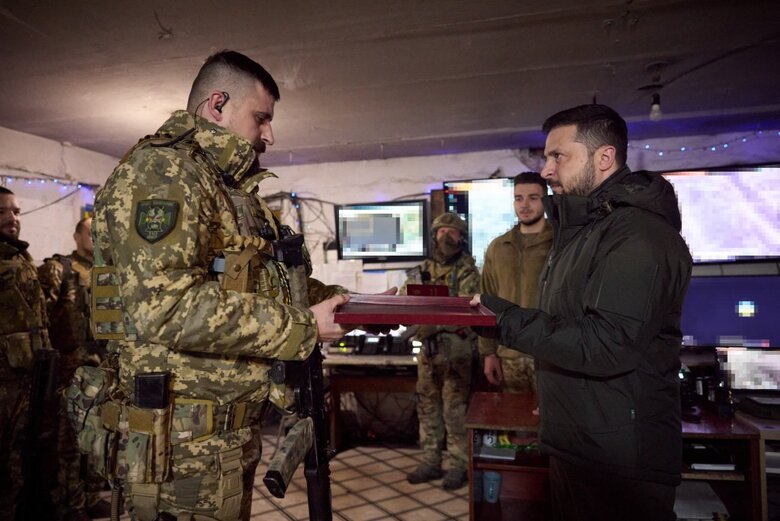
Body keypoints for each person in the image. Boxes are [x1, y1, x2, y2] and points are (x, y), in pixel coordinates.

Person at [84, 50, 351, 521]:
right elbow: (165, 307)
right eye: (261, 118)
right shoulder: (164, 172)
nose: (269, 134)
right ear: (218, 104)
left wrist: (342, 303)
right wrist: (304, 327)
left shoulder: (221, 185)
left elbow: (261, 284)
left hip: (220, 436)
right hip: (181, 445)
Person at [472, 104, 692, 521]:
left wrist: (503, 320)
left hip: (616, 456)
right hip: (582, 438)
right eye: (547, 157)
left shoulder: (638, 235)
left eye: (559, 156)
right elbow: (569, 327)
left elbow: (606, 344)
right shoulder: (587, 231)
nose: (548, 170)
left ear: (603, 158)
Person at [38, 217, 110, 521]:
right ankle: (71, 506)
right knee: (68, 446)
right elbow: (37, 314)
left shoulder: (108, 274)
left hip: (100, 370)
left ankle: (91, 498)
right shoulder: (60, 269)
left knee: (95, 441)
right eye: (91, 232)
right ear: (77, 235)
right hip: (69, 373)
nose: (97, 237)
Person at [403, 212, 479, 491]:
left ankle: (459, 465)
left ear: (461, 237)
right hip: (428, 354)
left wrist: (434, 320)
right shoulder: (421, 270)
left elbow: (467, 309)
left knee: (455, 412)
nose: (445, 236)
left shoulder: (468, 271)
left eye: (452, 231)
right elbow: (407, 302)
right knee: (427, 407)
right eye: (441, 231)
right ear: (433, 235)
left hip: (457, 353)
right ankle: (430, 461)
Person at [0, 186, 55, 521]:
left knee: (21, 467)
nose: (12, 218)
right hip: (5, 389)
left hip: (26, 385)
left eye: (17, 211)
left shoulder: (19, 257)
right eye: (2, 211)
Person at [479, 172, 552, 393]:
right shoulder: (498, 247)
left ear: (546, 199)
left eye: (533, 197)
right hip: (509, 354)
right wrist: (489, 352)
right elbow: (486, 300)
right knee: (516, 422)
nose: (525, 205)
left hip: (550, 355)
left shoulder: (560, 243)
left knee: (554, 424)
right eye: (518, 198)